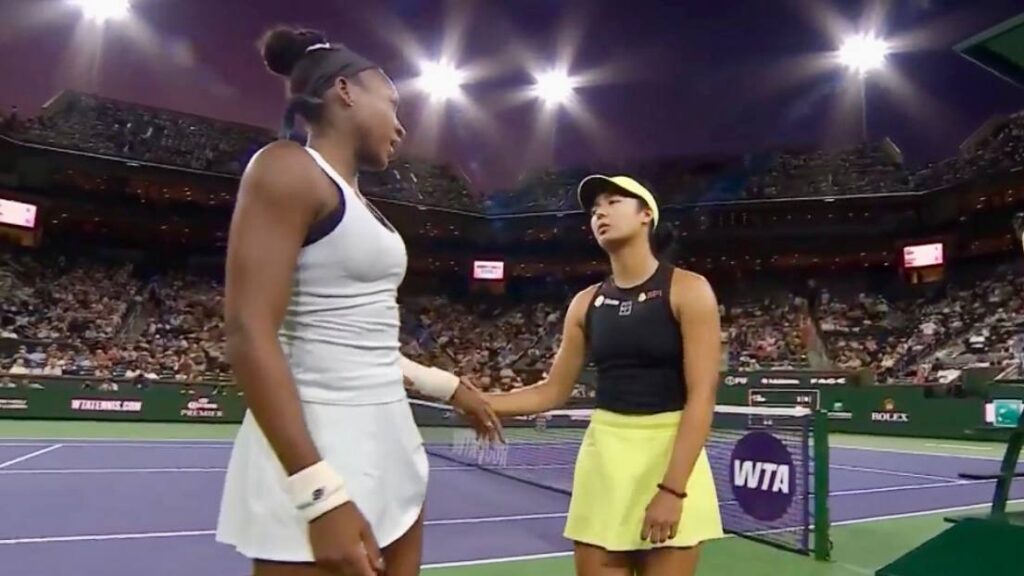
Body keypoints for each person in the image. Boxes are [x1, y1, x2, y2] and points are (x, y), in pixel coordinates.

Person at [216, 26, 503, 576]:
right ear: (344, 91)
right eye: (391, 102)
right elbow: (249, 331)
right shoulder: (286, 167)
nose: (401, 124)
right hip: (321, 451)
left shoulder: (361, 204)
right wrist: (318, 492)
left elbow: (360, 346)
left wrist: (449, 386)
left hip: (390, 445)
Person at [486, 175, 724, 576]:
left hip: (671, 460)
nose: (600, 213)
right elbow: (551, 391)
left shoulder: (689, 289)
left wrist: (672, 489)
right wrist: (477, 400)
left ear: (646, 215)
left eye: (613, 202)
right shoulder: (585, 303)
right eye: (595, 208)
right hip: (604, 463)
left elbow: (702, 396)